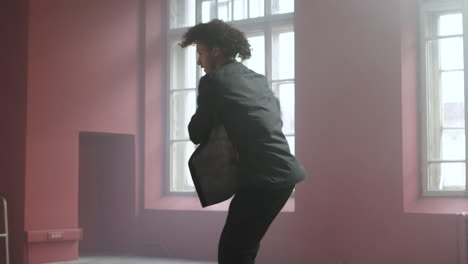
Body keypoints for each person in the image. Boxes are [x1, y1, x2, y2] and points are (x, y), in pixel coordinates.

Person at [180, 19, 307, 264]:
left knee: (234, 251)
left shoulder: (213, 82)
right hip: (285, 176)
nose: (198, 61)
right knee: (242, 246)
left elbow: (197, 132)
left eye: (201, 53)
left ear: (216, 51)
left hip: (263, 179)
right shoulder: (256, 79)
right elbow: (267, 120)